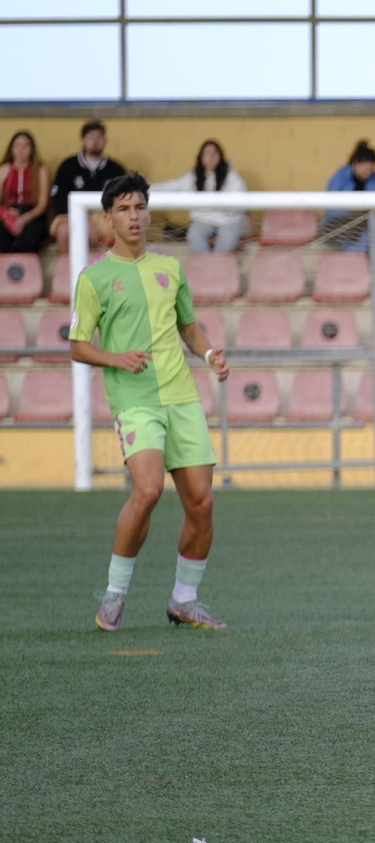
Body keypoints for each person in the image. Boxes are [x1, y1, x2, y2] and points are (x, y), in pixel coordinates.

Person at [67, 173, 230, 632]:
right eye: (123, 209)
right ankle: (115, 593)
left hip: (182, 395)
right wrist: (115, 358)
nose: (133, 216)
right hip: (134, 399)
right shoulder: (93, 279)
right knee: (148, 490)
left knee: (202, 503)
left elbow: (188, 326)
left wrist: (210, 355)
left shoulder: (170, 269)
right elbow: (77, 346)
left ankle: (184, 601)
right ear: (108, 219)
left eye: (139, 207)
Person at [322, 141, 375, 286]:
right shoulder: (339, 176)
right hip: (342, 226)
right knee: (359, 245)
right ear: (356, 163)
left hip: (366, 224)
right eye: (365, 169)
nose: (368, 173)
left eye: (371, 170)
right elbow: (332, 207)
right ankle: (357, 283)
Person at [151, 140, 249, 254]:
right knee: (194, 237)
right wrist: (148, 188)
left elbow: (242, 203)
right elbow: (173, 186)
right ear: (201, 157)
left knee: (228, 240)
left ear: (220, 156)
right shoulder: (194, 176)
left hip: (229, 221)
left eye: (215, 153)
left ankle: (218, 263)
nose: (211, 156)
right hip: (203, 220)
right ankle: (206, 263)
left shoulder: (232, 177)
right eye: (207, 153)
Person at [49, 120, 126, 250]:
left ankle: (104, 263)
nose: (95, 141)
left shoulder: (116, 169)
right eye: (90, 137)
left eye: (99, 137)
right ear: (83, 141)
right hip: (71, 216)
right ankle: (67, 264)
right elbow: (59, 197)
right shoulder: (68, 166)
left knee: (115, 230)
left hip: (105, 217)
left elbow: (123, 198)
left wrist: (100, 217)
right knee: (63, 230)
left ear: (105, 141)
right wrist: (83, 218)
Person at [0, 131, 51, 254]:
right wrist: (5, 212)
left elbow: (42, 204)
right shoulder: (4, 169)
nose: (21, 149)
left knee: (30, 238)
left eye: (25, 146)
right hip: (10, 211)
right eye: (17, 145)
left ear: (32, 149)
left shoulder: (41, 170)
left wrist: (24, 218)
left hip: (33, 214)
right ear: (11, 149)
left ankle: (22, 265)